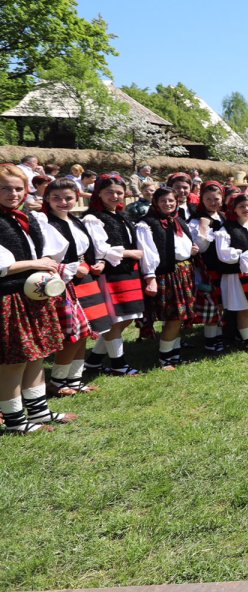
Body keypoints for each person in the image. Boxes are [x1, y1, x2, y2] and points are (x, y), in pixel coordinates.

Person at [0, 163, 77, 434]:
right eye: (6, 188)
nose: (13, 193)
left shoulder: (25, 218)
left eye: (18, 188)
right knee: (14, 361)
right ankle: (15, 422)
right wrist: (38, 263)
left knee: (38, 354)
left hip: (32, 294)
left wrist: (46, 264)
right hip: (8, 297)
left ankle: (40, 411)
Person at [42, 179, 108, 396]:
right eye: (56, 198)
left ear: (76, 198)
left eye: (68, 198)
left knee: (85, 332)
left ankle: (75, 379)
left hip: (83, 278)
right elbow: (42, 256)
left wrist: (95, 263)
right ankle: (58, 381)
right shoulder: (45, 224)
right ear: (47, 199)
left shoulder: (76, 221)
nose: (63, 202)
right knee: (73, 334)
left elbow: (85, 250)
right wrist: (67, 267)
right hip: (64, 282)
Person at [81, 174, 146, 376]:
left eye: (119, 192)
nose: (115, 196)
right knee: (116, 319)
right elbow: (100, 249)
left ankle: (93, 361)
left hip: (128, 271)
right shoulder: (93, 218)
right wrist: (129, 253)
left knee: (127, 317)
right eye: (110, 192)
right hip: (110, 273)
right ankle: (119, 364)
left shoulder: (121, 215)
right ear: (98, 193)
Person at [135, 188, 199, 368]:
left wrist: (191, 250)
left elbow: (182, 244)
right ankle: (165, 358)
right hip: (167, 274)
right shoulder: (147, 224)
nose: (168, 204)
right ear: (155, 202)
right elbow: (147, 254)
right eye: (163, 201)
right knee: (173, 317)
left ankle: (174, 355)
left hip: (184, 271)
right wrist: (150, 277)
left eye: (171, 201)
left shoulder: (177, 220)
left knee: (180, 316)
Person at [187, 181, 229, 354]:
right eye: (208, 199)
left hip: (224, 267)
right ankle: (211, 340)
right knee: (212, 305)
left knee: (221, 304)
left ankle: (219, 337)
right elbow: (199, 248)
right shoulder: (196, 220)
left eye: (216, 198)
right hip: (207, 268)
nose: (213, 202)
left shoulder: (225, 217)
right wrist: (204, 228)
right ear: (201, 200)